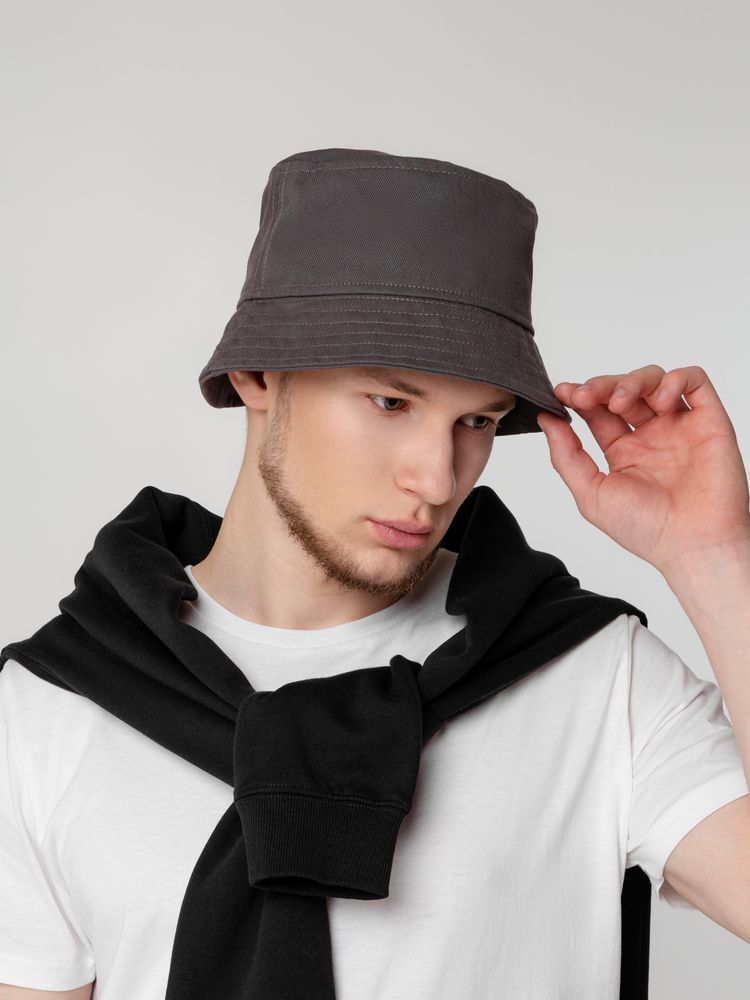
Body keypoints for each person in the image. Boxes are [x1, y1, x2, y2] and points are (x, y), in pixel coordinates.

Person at [1, 148, 749, 1000]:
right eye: (392, 403)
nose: (436, 479)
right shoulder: (48, 712)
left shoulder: (593, 677)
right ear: (258, 375)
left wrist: (714, 557)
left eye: (477, 421)